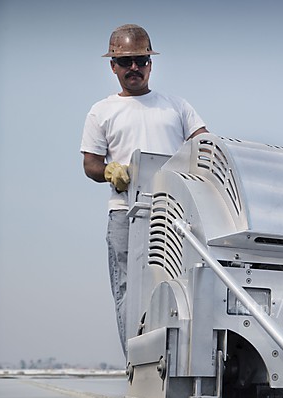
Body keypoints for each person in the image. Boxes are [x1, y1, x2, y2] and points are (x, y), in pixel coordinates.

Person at [80, 24, 208, 357]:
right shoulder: (102, 111)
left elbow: (205, 148)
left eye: (140, 60)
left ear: (151, 63)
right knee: (129, 290)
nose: (134, 67)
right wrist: (110, 171)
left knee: (180, 288)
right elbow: (90, 164)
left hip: (175, 214)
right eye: (126, 62)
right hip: (126, 213)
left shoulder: (176, 107)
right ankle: (136, 365)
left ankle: (173, 362)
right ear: (113, 66)